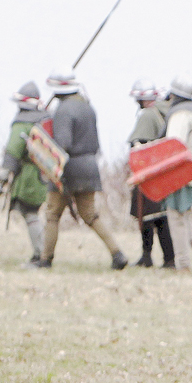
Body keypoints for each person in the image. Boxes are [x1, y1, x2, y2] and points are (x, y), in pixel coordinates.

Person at [33, 68, 128, 270]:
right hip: (89, 166)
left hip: (68, 168)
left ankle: (45, 260)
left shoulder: (63, 110)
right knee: (91, 215)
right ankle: (117, 254)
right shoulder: (87, 107)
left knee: (52, 214)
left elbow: (62, 144)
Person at [160, 74, 192, 276]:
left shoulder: (180, 114)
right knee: (184, 214)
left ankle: (183, 265)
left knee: (175, 216)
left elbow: (173, 145)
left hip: (183, 168)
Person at [0, 81, 50, 265]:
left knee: (30, 212)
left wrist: (0, 179)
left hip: (28, 178)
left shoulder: (21, 124)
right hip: (42, 174)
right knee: (31, 212)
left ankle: (40, 254)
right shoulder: (44, 119)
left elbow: (12, 153)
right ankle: (41, 253)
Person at [126, 79, 175, 268]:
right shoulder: (166, 113)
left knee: (147, 216)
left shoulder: (148, 115)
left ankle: (149, 256)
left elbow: (139, 146)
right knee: (159, 216)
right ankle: (166, 258)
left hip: (149, 172)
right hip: (163, 173)